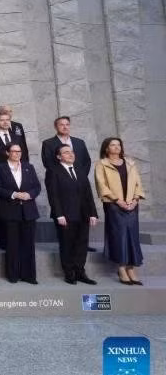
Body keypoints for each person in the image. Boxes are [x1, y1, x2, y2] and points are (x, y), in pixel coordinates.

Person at [41, 116, 97, 252]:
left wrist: (79, 177)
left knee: (82, 216)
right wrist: (65, 176)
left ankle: (83, 245)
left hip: (78, 183)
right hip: (61, 183)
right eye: (62, 124)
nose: (65, 127)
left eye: (67, 124)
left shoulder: (79, 142)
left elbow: (87, 161)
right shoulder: (48, 143)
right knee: (66, 231)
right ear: (56, 127)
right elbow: (48, 163)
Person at [46, 144, 99, 285]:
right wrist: (59, 214)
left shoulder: (80, 170)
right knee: (67, 245)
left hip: (83, 214)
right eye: (66, 152)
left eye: (72, 152)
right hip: (65, 216)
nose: (71, 154)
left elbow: (88, 194)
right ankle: (69, 273)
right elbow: (53, 195)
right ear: (59, 157)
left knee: (82, 245)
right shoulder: (53, 171)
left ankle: (80, 272)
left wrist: (93, 213)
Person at [95, 137, 145, 285]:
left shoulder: (130, 163)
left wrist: (135, 200)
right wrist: (118, 201)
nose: (117, 147)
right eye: (113, 145)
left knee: (132, 236)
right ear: (106, 148)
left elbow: (138, 184)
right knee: (119, 236)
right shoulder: (101, 164)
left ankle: (131, 268)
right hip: (114, 205)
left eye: (118, 145)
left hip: (132, 204)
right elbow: (101, 185)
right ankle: (121, 268)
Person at [0, 143, 41, 284]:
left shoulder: (28, 167)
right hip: (9, 211)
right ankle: (13, 275)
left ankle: (29, 275)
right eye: (14, 151)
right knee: (12, 245)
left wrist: (29, 194)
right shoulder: (0, 168)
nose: (17, 153)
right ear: (7, 153)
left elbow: (37, 187)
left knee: (28, 244)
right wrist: (14, 194)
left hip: (28, 211)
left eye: (19, 151)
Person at [0, 112, 29, 250]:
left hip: (18, 178)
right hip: (0, 179)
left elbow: (24, 156)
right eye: (2, 120)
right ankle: (3, 240)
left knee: (18, 208)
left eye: (7, 119)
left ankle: (18, 240)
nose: (5, 122)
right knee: (0, 210)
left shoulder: (17, 137)